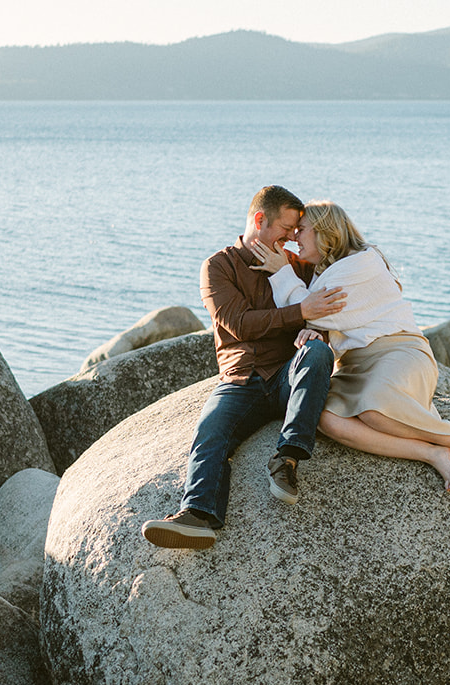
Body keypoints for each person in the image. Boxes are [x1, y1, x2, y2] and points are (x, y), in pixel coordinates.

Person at [141, 186, 348, 550]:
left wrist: (317, 325)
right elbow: (240, 324)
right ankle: (198, 516)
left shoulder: (295, 266)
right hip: (242, 379)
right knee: (211, 427)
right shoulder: (218, 267)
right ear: (259, 220)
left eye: (296, 233)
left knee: (317, 354)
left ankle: (287, 459)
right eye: (285, 231)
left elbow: (332, 301)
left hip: (288, 373)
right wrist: (302, 311)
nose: (291, 241)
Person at [249, 200, 450, 490]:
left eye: (301, 229)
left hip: (399, 352)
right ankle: (429, 452)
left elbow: (307, 307)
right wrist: (314, 331)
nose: (295, 237)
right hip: (355, 366)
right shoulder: (325, 271)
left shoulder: (360, 264)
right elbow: (319, 317)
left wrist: (282, 272)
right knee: (325, 419)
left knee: (373, 410)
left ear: (325, 231)